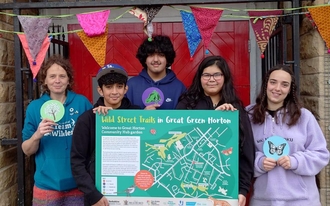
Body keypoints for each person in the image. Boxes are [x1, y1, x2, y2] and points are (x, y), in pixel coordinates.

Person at [176, 55, 255, 206]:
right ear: (200, 77)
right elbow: (177, 142)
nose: (211, 79)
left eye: (217, 74)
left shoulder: (235, 109)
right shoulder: (186, 105)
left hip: (224, 190)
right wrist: (213, 119)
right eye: (206, 75)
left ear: (224, 77)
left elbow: (246, 153)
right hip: (189, 187)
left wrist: (243, 190)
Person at [246, 65, 330, 206]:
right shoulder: (249, 115)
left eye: (284, 84)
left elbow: (321, 154)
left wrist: (295, 161)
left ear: (290, 89)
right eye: (273, 82)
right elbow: (239, 156)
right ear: (266, 84)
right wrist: (259, 163)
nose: (277, 88)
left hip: (302, 200)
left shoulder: (304, 117)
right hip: (263, 200)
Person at [21, 55, 93, 205]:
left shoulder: (82, 103)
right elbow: (27, 150)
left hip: (78, 184)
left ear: (69, 79)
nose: (57, 80)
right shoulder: (35, 107)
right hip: (46, 186)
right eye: (52, 76)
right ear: (45, 81)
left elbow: (96, 138)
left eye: (62, 76)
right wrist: (37, 135)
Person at [71, 63, 141, 206]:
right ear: (100, 90)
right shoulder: (87, 119)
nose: (115, 92)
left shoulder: (138, 114)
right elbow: (77, 162)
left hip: (135, 193)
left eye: (119, 86)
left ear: (125, 88)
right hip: (99, 196)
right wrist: (93, 195)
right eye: (109, 87)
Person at [126, 35, 186, 109]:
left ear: (167, 59)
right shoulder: (131, 85)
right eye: (151, 55)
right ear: (145, 59)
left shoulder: (179, 87)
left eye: (161, 55)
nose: (156, 60)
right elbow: (121, 116)